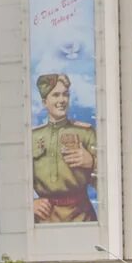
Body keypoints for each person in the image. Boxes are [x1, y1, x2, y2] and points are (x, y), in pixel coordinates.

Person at [31, 73, 98, 223]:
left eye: (65, 95)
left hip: (81, 216)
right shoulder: (32, 138)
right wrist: (29, 204)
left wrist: (92, 162)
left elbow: (110, 181)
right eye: (55, 95)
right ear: (44, 102)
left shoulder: (86, 133)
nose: (62, 100)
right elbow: (17, 180)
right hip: (44, 218)